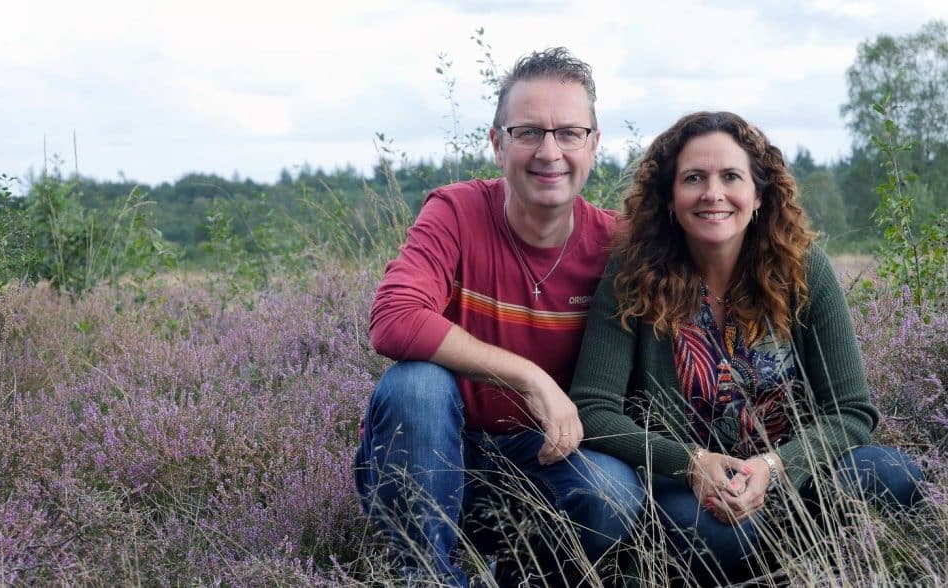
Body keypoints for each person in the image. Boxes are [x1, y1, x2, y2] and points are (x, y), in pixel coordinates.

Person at [569, 111, 924, 585]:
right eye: (694, 178)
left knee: (892, 473)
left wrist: (774, 468)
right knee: (719, 536)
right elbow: (593, 409)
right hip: (686, 489)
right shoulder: (633, 274)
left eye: (731, 177)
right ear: (670, 198)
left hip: (793, 476)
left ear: (758, 196)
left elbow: (852, 411)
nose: (713, 193)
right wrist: (692, 464)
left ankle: (807, 568)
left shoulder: (803, 270)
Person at [353, 47, 644, 587]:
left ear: (594, 145)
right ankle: (427, 577)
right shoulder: (456, 211)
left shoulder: (618, 246)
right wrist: (528, 376)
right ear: (496, 143)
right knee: (414, 386)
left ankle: (523, 574)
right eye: (527, 132)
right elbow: (393, 318)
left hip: (546, 462)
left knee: (613, 491)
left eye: (569, 133)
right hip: (438, 453)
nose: (549, 151)